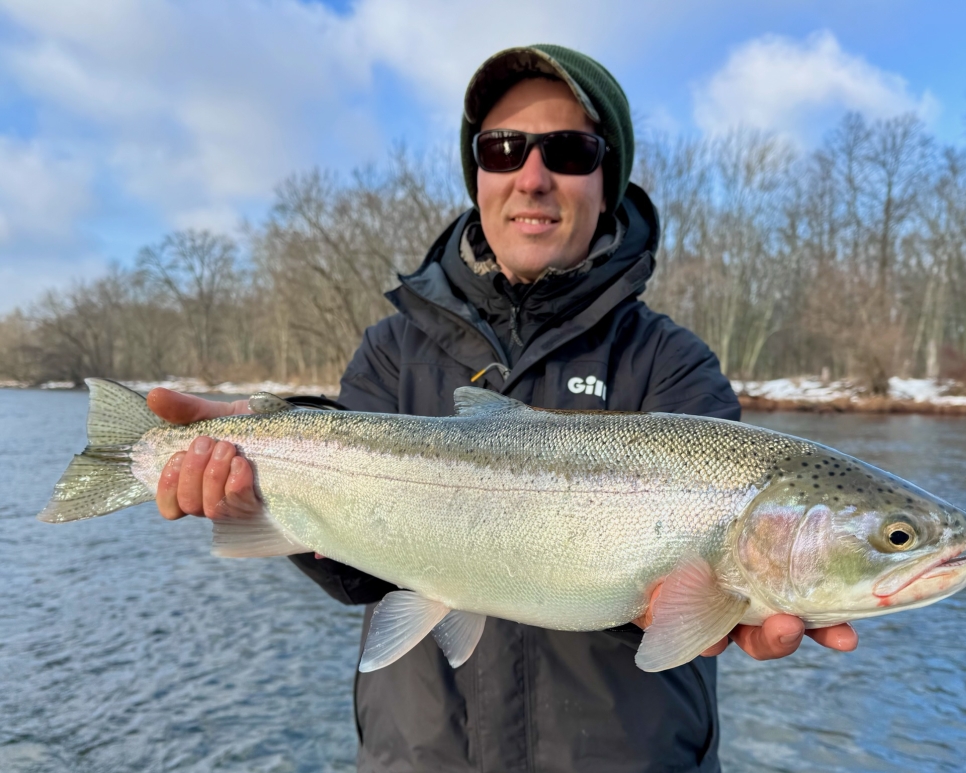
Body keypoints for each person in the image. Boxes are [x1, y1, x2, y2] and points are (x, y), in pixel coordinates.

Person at [149, 45, 858, 773]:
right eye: (503, 148)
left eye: (570, 150)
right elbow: (357, 575)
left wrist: (696, 608)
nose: (533, 176)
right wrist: (254, 481)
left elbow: (675, 606)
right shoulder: (392, 351)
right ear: (478, 174)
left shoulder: (670, 363)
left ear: (606, 178)